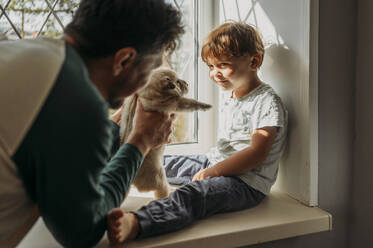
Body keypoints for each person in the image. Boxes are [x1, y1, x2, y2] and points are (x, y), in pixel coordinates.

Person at [0, 0, 184, 247]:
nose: (143, 85)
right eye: (149, 70)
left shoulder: (31, 56)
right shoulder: (78, 99)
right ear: (124, 60)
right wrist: (140, 141)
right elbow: (81, 231)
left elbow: (58, 151)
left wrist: (115, 128)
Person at [107, 21, 288, 244]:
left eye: (222, 64)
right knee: (162, 163)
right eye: (210, 66)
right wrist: (213, 167)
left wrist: (215, 171)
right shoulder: (232, 93)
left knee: (195, 195)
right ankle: (106, 178)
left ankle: (137, 223)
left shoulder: (267, 101)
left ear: (254, 61)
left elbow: (257, 153)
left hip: (246, 184)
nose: (215, 73)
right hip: (216, 163)